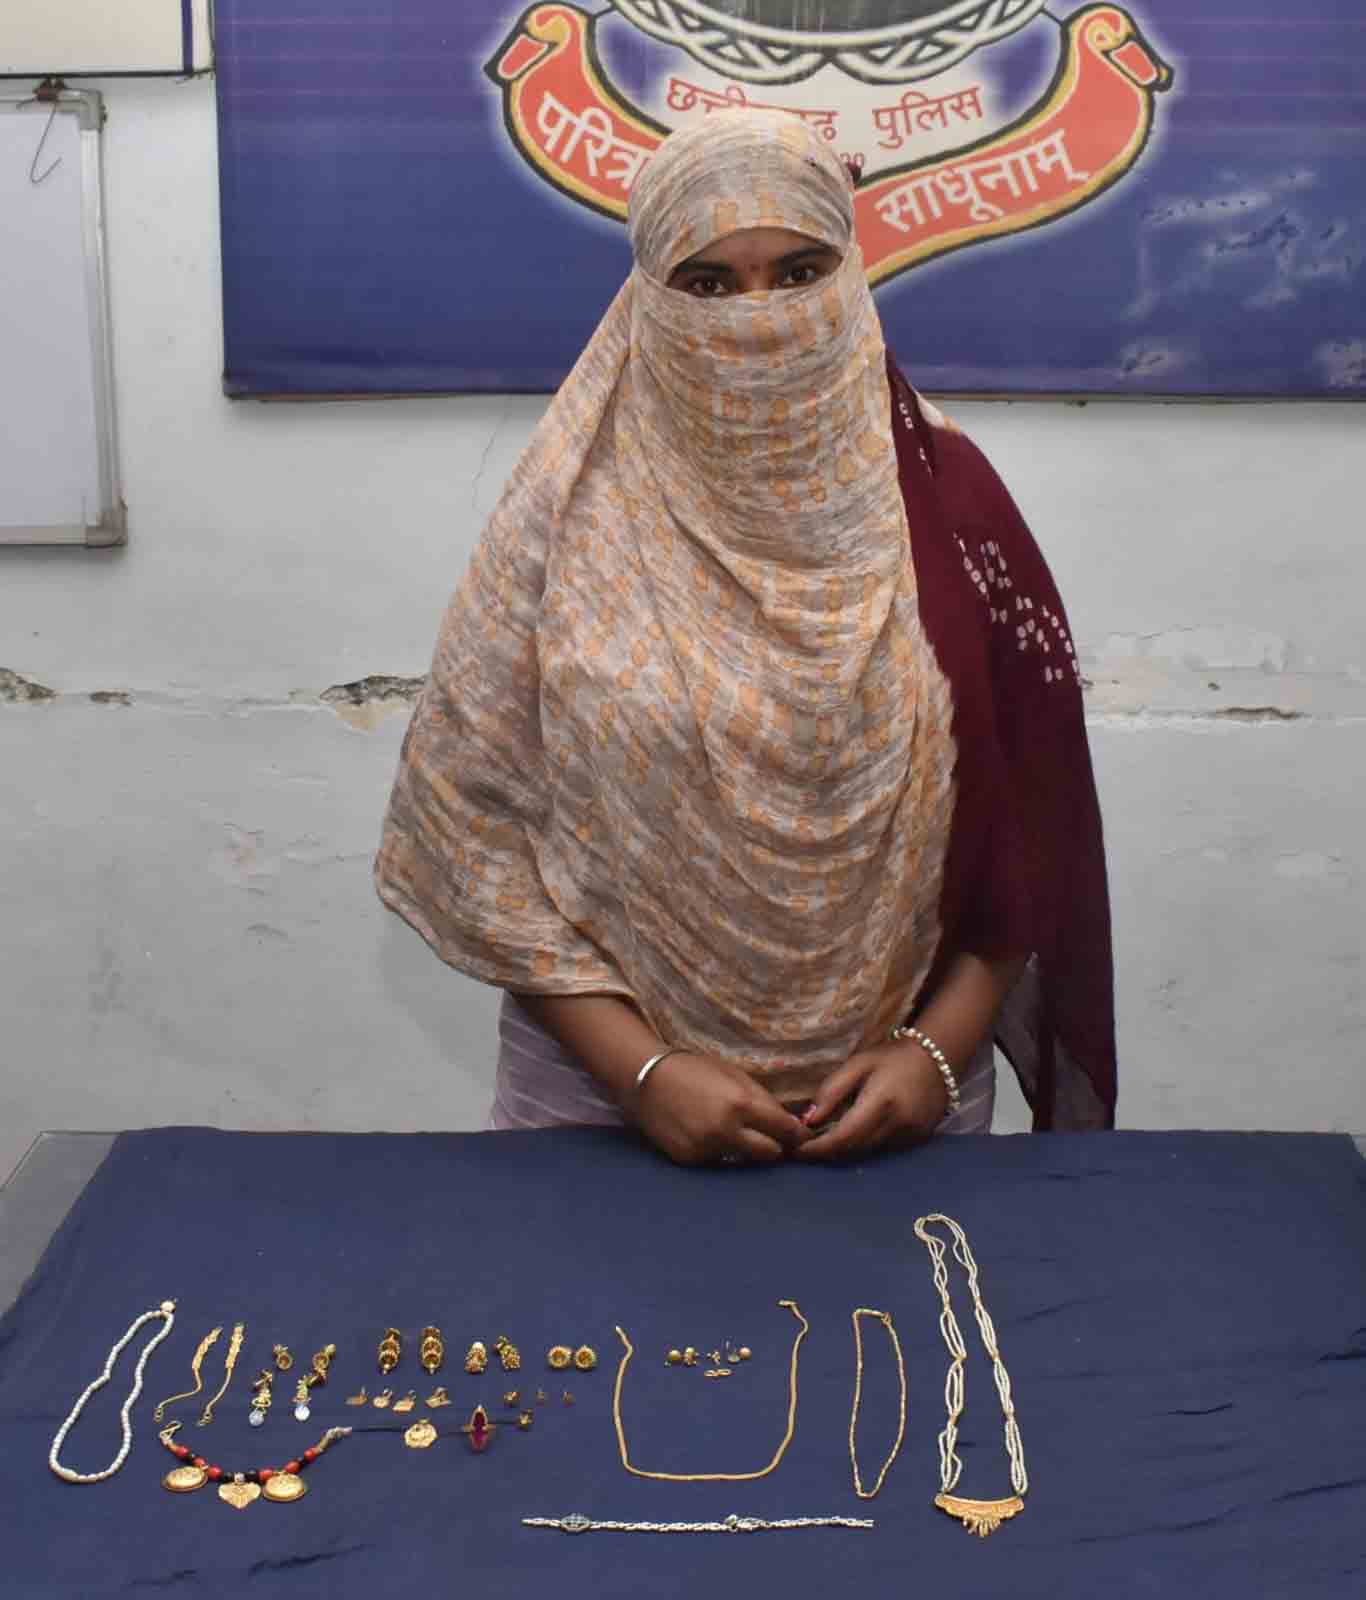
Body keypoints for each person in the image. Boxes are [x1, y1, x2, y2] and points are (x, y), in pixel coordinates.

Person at [375, 108, 1115, 1165]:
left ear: (851, 278)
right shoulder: (563, 522)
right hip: (598, 1109)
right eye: (709, 283)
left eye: (799, 272)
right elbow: (471, 825)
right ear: (647, 297)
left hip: (902, 1108)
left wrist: (934, 1054)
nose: (759, 319)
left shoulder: (954, 512)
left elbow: (1029, 821)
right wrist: (643, 1073)